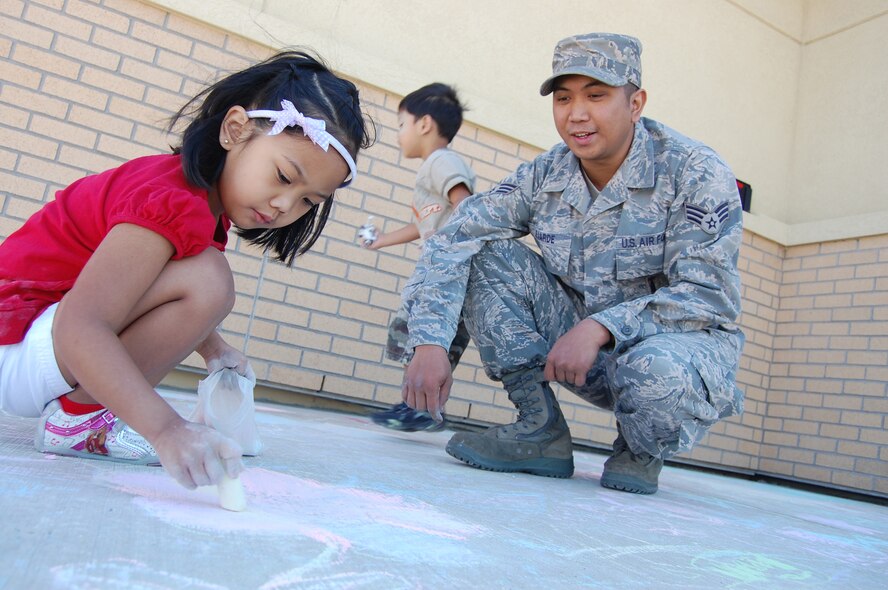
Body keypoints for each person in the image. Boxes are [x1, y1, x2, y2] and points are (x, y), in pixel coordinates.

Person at [0, 50, 373, 490]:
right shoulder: (170, 201)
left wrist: (212, 348)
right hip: (15, 341)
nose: (285, 205)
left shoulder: (190, 202)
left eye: (308, 201)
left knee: (207, 279)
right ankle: (80, 422)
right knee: (209, 281)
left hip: (28, 344)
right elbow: (82, 325)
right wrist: (166, 430)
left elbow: (129, 292)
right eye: (284, 177)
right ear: (234, 130)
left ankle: (85, 414)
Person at [399, 33, 745, 495]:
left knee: (657, 373)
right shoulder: (546, 174)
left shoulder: (695, 171)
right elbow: (454, 237)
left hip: (668, 360)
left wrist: (601, 326)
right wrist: (430, 342)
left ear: (636, 102)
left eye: (596, 95)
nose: (576, 114)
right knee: (486, 252)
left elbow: (708, 298)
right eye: (564, 98)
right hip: (575, 355)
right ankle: (539, 427)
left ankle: (639, 452)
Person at [362, 83, 476, 433]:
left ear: (424, 124)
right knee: (436, 338)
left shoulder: (440, 162)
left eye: (401, 124)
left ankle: (418, 408)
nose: (399, 133)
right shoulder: (436, 166)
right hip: (448, 268)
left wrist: (449, 251)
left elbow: (466, 205)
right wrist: (381, 242)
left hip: (442, 270)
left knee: (416, 332)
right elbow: (422, 224)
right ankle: (424, 408)